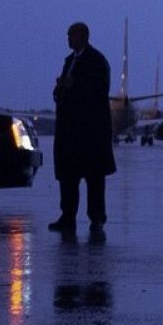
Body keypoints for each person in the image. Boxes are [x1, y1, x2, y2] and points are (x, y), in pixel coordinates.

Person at [49, 22, 117, 233]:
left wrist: (73, 85)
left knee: (94, 178)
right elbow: (64, 91)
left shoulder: (97, 61)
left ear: (84, 36)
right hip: (69, 133)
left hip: (90, 132)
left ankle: (97, 218)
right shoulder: (70, 61)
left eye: (72, 35)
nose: (69, 38)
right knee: (68, 178)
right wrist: (60, 89)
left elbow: (98, 91)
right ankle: (67, 216)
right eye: (68, 35)